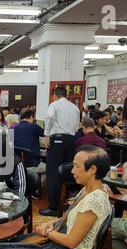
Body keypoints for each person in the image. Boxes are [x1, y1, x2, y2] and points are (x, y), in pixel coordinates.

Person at [25, 145, 112, 249]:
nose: (72, 171)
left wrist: (49, 232)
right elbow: (74, 215)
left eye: (76, 166)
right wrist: (51, 223)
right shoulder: (90, 189)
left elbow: (71, 241)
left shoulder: (95, 201)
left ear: (92, 169)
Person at [41, 86, 80, 216]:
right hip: (71, 141)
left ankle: (53, 208)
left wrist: (46, 135)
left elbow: (50, 118)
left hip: (57, 141)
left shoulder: (54, 104)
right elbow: (76, 125)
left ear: (54, 95)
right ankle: (68, 205)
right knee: (68, 172)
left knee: (53, 174)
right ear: (66, 95)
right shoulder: (75, 107)